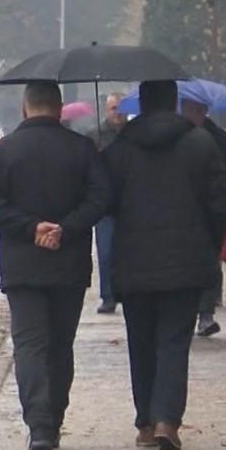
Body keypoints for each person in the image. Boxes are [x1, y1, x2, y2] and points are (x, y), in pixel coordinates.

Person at [0, 81, 108, 450]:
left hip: (21, 264)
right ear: (60, 107)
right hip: (67, 262)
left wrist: (30, 228)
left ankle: (39, 425)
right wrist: (65, 229)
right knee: (60, 344)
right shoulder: (82, 150)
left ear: (25, 107)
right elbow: (100, 198)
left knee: (30, 344)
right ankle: (56, 415)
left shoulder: (2, 153)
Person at [103, 80, 226, 450]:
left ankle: (144, 421)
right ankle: (166, 420)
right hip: (185, 261)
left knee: (140, 343)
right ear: (173, 103)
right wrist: (209, 242)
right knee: (174, 343)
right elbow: (219, 201)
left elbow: (105, 201)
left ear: (140, 105)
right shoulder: (199, 143)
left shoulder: (121, 148)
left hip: (134, 261)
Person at [180, 98, 226, 337]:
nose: (193, 114)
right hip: (183, 206)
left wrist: (222, 173)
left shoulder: (219, 138)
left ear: (205, 111)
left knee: (209, 260)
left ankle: (206, 313)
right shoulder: (175, 136)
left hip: (211, 207)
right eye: (189, 109)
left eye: (198, 110)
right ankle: (189, 311)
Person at [88, 93, 126, 314]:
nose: (117, 113)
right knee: (105, 251)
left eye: (120, 108)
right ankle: (108, 296)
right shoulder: (96, 136)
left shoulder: (133, 134)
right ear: (106, 109)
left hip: (129, 201)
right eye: (113, 108)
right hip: (105, 203)